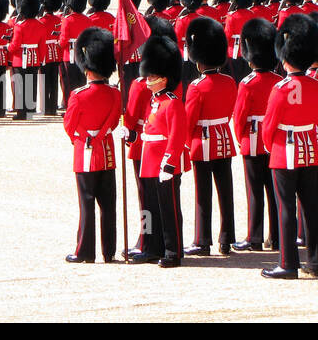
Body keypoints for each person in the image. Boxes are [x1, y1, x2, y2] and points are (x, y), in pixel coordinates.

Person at [260, 13, 318, 278]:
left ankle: (288, 264)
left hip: (283, 151)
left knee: (286, 207)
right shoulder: (317, 85)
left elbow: (269, 126)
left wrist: (270, 146)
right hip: (310, 150)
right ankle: (314, 263)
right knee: (311, 206)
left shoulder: (280, 88)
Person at [129, 35, 189, 268]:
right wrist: (132, 135)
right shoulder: (156, 101)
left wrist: (169, 163)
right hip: (149, 159)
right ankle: (151, 247)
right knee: (150, 206)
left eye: (152, 76)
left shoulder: (172, 102)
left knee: (168, 207)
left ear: (164, 78)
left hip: (163, 161)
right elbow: (149, 130)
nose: (148, 79)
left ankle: (172, 251)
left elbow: (176, 135)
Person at [64, 27, 121, 263]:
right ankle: (109, 252)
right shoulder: (115, 94)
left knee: (86, 204)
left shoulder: (78, 95)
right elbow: (115, 121)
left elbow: (69, 125)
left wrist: (85, 138)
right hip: (107, 152)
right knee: (108, 205)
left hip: (85, 152)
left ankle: (85, 251)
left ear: (86, 67)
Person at [182, 16, 237, 257]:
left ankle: (202, 240)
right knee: (226, 192)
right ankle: (226, 239)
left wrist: (185, 142)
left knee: (203, 194)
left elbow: (189, 120)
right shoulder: (229, 82)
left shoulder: (196, 86)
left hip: (202, 142)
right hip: (224, 139)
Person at [231, 18, 280, 252]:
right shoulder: (280, 81)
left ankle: (255, 236)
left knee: (254, 191)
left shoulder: (247, 84)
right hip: (276, 142)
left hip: (252, 140)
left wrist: (241, 138)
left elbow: (239, 118)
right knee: (275, 191)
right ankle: (278, 235)